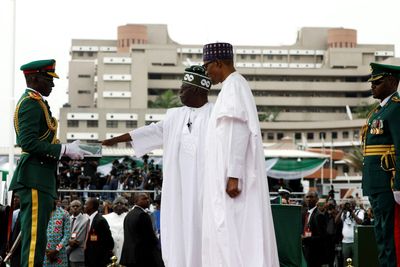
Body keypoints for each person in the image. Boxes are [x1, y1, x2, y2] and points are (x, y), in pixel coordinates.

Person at [102, 65, 213, 267]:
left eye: (184, 87)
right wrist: (115, 140)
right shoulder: (174, 117)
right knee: (179, 234)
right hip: (177, 192)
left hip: (204, 190)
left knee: (203, 234)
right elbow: (148, 132)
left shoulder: (215, 116)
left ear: (197, 90)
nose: (179, 91)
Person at [201, 42, 279, 267]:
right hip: (226, 176)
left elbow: (238, 132)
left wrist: (234, 174)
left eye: (207, 67)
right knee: (227, 231)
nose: (207, 73)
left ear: (218, 63)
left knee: (235, 232)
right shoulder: (230, 87)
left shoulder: (234, 86)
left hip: (233, 179)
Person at [9, 59, 90, 267]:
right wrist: (63, 149)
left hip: (41, 176)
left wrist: (66, 149)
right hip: (35, 176)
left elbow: (41, 140)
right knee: (35, 236)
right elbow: (27, 142)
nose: (52, 85)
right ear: (34, 78)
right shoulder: (30, 103)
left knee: (37, 235)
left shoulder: (38, 102)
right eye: (48, 79)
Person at [361, 62, 400, 267]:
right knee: (381, 235)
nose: (372, 86)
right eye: (372, 82)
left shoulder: (395, 109)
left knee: (389, 235)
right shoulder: (377, 112)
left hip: (387, 182)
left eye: (378, 82)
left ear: (392, 81)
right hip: (375, 182)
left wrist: (398, 185)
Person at [120, 193, 164, 267]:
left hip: (128, 257)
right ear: (136, 201)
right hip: (141, 257)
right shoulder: (143, 215)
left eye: (147, 198)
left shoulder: (128, 215)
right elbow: (150, 237)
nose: (147, 200)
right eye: (144, 199)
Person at [84, 197, 114, 267]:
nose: (84, 206)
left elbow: (109, 242)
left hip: (98, 260)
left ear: (91, 206)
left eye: (86, 204)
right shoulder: (89, 219)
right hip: (90, 258)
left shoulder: (100, 221)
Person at [301, 191, 328, 267]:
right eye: (307, 197)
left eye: (311, 197)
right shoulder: (304, 213)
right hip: (305, 250)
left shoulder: (319, 215)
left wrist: (307, 239)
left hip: (315, 253)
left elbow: (323, 237)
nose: (309, 199)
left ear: (317, 199)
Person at [335, 198, 364, 266]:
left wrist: (352, 212)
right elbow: (336, 221)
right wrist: (342, 209)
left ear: (355, 204)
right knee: (347, 262)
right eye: (348, 203)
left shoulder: (360, 212)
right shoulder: (344, 213)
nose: (350, 205)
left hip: (355, 241)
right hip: (345, 242)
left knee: (356, 261)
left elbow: (359, 222)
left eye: (351, 203)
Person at [43, 202, 71, 266]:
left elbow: (67, 235)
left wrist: (56, 250)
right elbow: (39, 234)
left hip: (60, 254)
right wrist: (47, 251)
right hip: (45, 254)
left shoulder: (64, 213)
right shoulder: (41, 213)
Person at [103, 196, 128, 263]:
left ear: (124, 206)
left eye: (121, 203)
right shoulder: (105, 217)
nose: (119, 205)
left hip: (124, 249)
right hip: (110, 249)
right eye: (117, 203)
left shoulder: (128, 216)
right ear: (112, 206)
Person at [67, 200, 89, 267]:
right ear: (70, 208)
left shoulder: (85, 220)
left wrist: (63, 252)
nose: (75, 207)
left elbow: (78, 241)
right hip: (66, 257)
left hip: (78, 256)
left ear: (81, 208)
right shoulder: (68, 219)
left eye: (77, 206)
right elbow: (64, 235)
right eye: (73, 206)